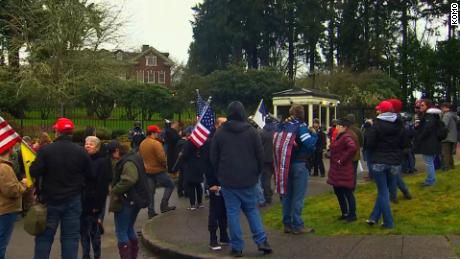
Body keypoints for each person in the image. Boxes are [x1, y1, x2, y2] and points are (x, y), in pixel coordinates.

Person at [210, 101, 272, 257]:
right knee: (252, 210)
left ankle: (237, 247)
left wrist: (220, 174)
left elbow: (214, 157)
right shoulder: (251, 131)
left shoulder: (220, 132)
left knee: (233, 213)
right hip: (248, 178)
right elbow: (260, 155)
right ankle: (262, 241)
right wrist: (255, 173)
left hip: (228, 179)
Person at [30, 117, 92, 259]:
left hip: (49, 200)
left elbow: (34, 171)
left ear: (57, 132)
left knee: (44, 238)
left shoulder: (46, 150)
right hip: (73, 200)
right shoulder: (81, 152)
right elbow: (90, 175)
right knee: (70, 238)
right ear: (71, 132)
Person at [274, 104, 317, 235]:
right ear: (301, 113)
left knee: (287, 196)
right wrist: (314, 134)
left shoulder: (284, 126)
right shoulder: (301, 126)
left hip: (285, 165)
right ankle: (298, 224)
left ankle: (287, 223)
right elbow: (309, 144)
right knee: (298, 197)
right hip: (299, 164)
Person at [364, 101, 407, 229]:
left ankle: (388, 222)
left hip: (379, 161)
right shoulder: (399, 124)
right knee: (385, 191)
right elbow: (405, 143)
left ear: (381, 111)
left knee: (382, 192)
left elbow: (370, 144)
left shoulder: (376, 125)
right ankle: (374, 217)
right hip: (394, 162)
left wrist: (369, 129)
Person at [109, 141, 150, 259]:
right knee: (129, 228)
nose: (112, 157)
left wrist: (115, 189)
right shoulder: (134, 157)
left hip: (127, 200)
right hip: (135, 199)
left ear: (117, 151)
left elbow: (129, 180)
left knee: (121, 231)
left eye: (112, 154)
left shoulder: (127, 162)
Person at [81, 136, 112, 259]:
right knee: (83, 233)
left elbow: (102, 186)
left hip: (94, 203)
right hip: (82, 202)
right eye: (86, 143)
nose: (87, 145)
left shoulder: (102, 161)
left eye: (91, 144)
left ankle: (97, 255)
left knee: (94, 233)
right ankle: (85, 255)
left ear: (97, 147)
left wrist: (97, 206)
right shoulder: (83, 159)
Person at [139, 125, 176, 219]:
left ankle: (151, 211)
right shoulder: (156, 143)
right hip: (158, 170)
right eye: (157, 132)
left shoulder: (142, 143)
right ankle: (164, 205)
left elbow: (140, 157)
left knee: (150, 191)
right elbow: (162, 158)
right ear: (152, 133)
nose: (158, 134)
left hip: (147, 170)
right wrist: (165, 167)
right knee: (170, 185)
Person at [327, 118, 358, 222]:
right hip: (337, 169)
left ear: (344, 127)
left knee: (347, 192)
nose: (337, 127)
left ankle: (352, 214)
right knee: (338, 192)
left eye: (339, 126)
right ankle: (344, 213)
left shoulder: (346, 137)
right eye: (336, 126)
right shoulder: (339, 136)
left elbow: (352, 148)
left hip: (343, 169)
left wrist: (342, 160)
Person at [206, 117, 229, 251]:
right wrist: (211, 183)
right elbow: (208, 164)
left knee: (224, 211)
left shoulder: (225, 140)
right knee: (215, 211)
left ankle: (224, 235)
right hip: (215, 181)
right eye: (223, 124)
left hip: (226, 181)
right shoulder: (210, 142)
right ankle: (213, 238)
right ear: (216, 125)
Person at [0, 147, 27, 259]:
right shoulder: (4, 167)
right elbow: (12, 191)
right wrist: (23, 185)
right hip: (6, 208)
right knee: (2, 241)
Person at [385, 99, 412, 203]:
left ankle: (393, 196)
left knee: (393, 174)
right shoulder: (398, 119)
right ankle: (405, 192)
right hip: (397, 149)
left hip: (395, 149)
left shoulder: (395, 119)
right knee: (395, 174)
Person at [414, 99, 442, 186]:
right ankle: (430, 179)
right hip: (430, 143)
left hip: (429, 143)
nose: (420, 107)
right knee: (429, 162)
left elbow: (426, 130)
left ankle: (431, 180)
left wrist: (419, 138)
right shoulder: (428, 116)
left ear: (428, 106)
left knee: (429, 163)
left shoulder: (429, 117)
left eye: (422, 105)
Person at [261, 115, 276, 204]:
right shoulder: (276, 131)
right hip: (276, 157)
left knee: (266, 179)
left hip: (265, 159)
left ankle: (268, 196)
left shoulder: (261, 132)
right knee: (278, 178)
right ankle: (283, 196)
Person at [440, 102, 457, 171]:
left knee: (445, 153)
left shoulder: (446, 115)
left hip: (446, 137)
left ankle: (447, 168)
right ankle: (451, 166)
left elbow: (443, 126)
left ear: (446, 107)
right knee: (449, 153)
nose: (441, 109)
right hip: (453, 136)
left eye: (442, 107)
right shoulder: (452, 115)